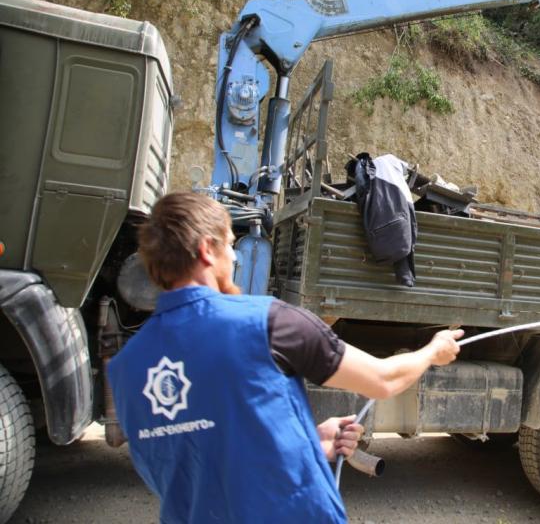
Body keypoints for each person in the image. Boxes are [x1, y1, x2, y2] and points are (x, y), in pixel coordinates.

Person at [106, 192, 463, 524]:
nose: (235, 256)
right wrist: (433, 351)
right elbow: (383, 380)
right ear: (206, 251)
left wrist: (309, 442)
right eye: (230, 244)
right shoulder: (268, 323)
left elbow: (190, 464)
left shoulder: (125, 368)